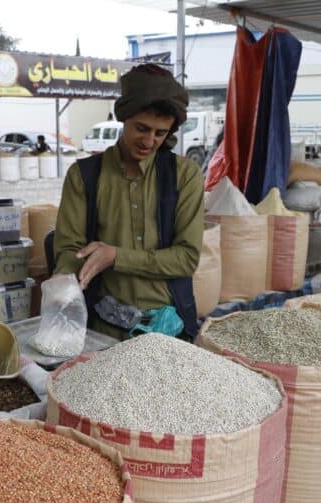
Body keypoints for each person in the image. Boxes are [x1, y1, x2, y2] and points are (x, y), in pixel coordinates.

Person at [52, 64, 203, 339]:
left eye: (160, 133)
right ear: (123, 118)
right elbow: (68, 250)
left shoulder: (184, 175)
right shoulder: (85, 176)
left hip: (169, 328)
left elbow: (186, 258)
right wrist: (66, 282)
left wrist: (115, 256)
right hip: (103, 330)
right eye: (141, 128)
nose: (149, 141)